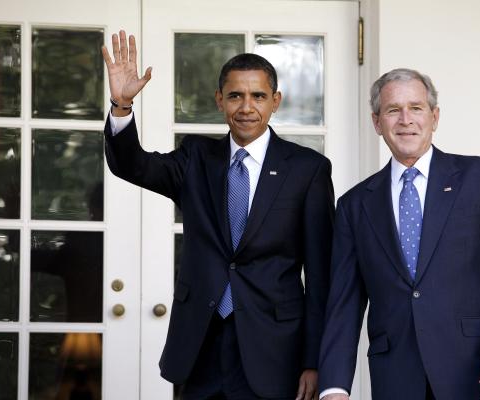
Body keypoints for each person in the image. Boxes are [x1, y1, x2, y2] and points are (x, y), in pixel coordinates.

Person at [102, 31, 334, 400]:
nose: (246, 107)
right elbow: (133, 165)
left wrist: (316, 361)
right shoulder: (196, 157)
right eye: (235, 96)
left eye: (258, 96)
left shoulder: (308, 170)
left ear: (275, 101)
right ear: (219, 101)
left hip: (274, 350)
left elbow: (322, 276)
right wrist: (121, 106)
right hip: (199, 345)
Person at [318, 68, 480, 400]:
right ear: (377, 122)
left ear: (434, 116)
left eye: (416, 108)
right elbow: (343, 304)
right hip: (396, 377)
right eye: (393, 110)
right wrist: (333, 386)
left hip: (475, 371)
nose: (406, 120)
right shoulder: (354, 205)